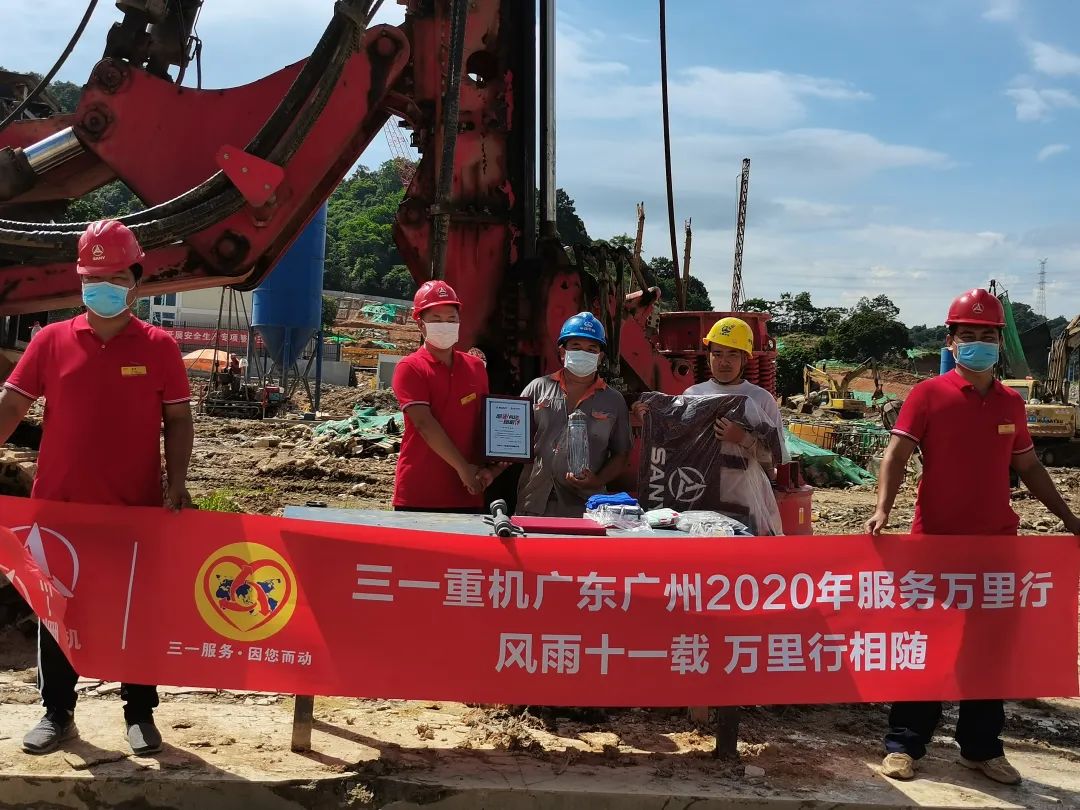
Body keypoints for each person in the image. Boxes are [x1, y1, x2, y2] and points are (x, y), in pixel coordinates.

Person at [865, 288, 1080, 786]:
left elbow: (1029, 466)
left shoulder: (1011, 402)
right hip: (937, 543)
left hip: (995, 546)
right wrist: (882, 509)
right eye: (968, 334)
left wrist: (1070, 519)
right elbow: (896, 454)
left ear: (999, 342)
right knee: (926, 643)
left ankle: (981, 748)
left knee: (987, 650)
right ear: (951, 341)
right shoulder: (928, 394)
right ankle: (905, 744)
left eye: (987, 335)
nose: (978, 342)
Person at [0, 219, 194, 757]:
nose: (101, 288)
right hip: (59, 510)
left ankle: (140, 714)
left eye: (113, 278)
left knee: (136, 612)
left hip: (134, 510)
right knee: (58, 612)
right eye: (91, 278)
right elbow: (12, 405)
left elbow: (178, 420)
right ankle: (57, 713)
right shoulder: (51, 341)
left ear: (136, 280)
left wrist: (177, 483)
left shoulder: (159, 347)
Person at [391, 280, 494, 512]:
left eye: (451, 319)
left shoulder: (476, 367)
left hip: (467, 492)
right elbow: (424, 424)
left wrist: (491, 468)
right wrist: (464, 469)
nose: (445, 325)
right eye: (436, 320)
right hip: (420, 494)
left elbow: (484, 423)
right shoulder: (410, 367)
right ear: (421, 324)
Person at [632, 316, 789, 468]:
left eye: (733, 354)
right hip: (698, 484)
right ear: (708, 356)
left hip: (747, 487)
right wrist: (649, 421)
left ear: (745, 359)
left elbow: (775, 459)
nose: (724, 362)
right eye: (717, 354)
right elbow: (675, 444)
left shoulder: (761, 399)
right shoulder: (692, 395)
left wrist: (743, 438)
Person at [516, 312, 631, 517]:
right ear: (563, 352)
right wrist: (491, 470)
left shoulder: (613, 401)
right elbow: (511, 437)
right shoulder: (537, 389)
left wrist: (597, 480)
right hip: (533, 502)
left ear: (600, 357)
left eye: (591, 349)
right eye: (576, 347)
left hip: (585, 507)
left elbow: (621, 454)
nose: (583, 353)